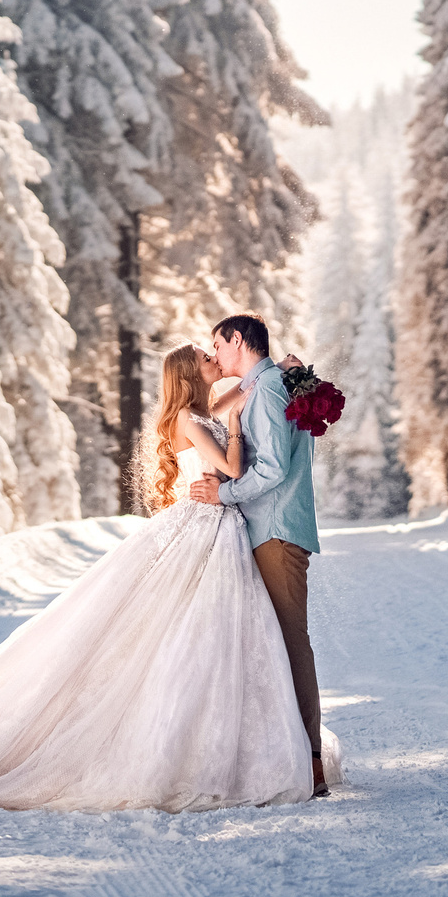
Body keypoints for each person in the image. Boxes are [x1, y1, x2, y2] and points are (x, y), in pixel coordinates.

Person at [0, 343, 314, 812]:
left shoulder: (204, 407)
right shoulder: (191, 417)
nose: (213, 358)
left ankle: (222, 742)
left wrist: (286, 376)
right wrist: (242, 426)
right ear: (189, 372)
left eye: (214, 352)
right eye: (206, 356)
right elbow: (231, 457)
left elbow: (247, 387)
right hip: (207, 519)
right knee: (180, 627)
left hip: (219, 525)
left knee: (213, 633)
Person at [187, 312, 330, 798]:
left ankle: (310, 763)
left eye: (218, 344)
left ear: (238, 339)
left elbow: (270, 469)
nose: (216, 354)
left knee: (291, 641)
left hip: (276, 529)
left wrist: (221, 495)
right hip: (266, 527)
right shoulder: (269, 382)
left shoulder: (268, 388)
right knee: (269, 643)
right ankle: (280, 755)